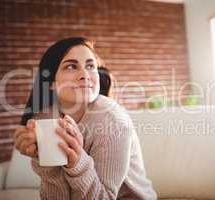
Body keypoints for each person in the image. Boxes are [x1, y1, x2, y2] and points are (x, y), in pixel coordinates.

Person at [13, 37, 157, 199]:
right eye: (71, 66)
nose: (85, 75)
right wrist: (45, 161)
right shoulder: (45, 119)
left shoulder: (113, 120)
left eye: (90, 66)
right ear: (51, 82)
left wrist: (77, 162)